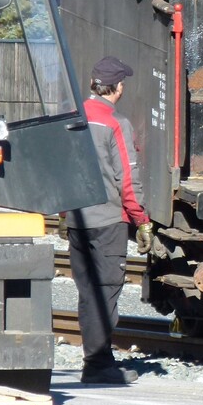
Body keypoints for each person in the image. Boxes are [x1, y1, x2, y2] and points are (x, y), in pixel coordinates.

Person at [67, 56, 153, 385]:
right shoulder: (115, 123)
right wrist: (141, 219)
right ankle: (99, 365)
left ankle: (97, 359)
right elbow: (127, 180)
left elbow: (66, 171)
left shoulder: (73, 118)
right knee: (106, 292)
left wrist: (64, 214)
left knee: (88, 291)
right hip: (107, 221)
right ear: (116, 88)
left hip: (78, 219)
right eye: (123, 84)